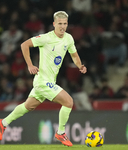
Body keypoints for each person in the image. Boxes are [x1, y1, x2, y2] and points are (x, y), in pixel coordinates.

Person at [0, 11, 87, 147]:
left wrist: (80, 65)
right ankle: (60, 132)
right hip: (42, 81)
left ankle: (3, 123)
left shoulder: (68, 38)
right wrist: (30, 65)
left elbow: (74, 55)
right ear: (54, 24)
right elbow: (24, 45)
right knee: (69, 101)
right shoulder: (46, 38)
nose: (62, 26)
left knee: (28, 106)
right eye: (60, 24)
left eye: (65, 24)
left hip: (49, 82)